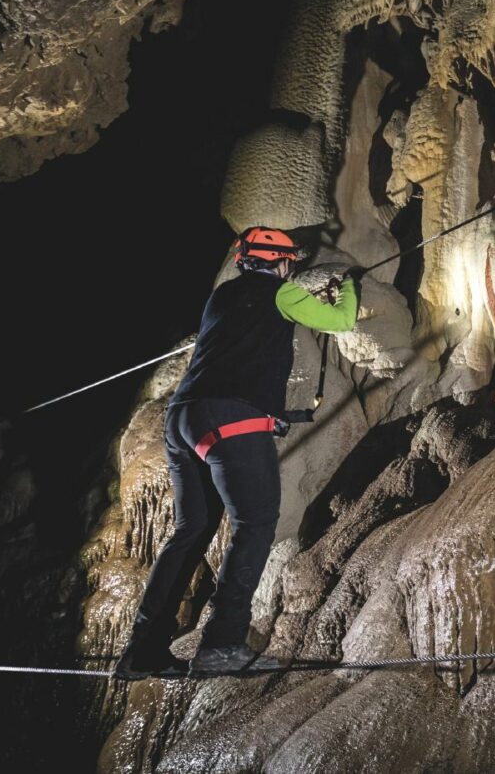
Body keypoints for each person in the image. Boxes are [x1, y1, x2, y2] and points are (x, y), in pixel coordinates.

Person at [113, 226, 359, 679]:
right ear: (280, 262)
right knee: (255, 524)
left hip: (183, 419)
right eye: (289, 261)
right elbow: (342, 321)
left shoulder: (220, 298)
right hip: (229, 419)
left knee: (190, 530)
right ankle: (221, 643)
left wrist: (267, 414)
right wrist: (348, 287)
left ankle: (142, 651)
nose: (290, 267)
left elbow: (238, 357)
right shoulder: (283, 293)